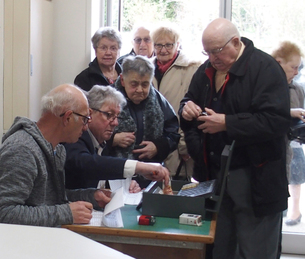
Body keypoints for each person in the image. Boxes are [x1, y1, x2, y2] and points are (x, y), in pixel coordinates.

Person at [179, 18, 290, 259]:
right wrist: (185, 108)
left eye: (217, 51)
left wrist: (227, 123)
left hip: (256, 179)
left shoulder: (265, 68)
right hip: (216, 178)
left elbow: (275, 121)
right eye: (206, 52)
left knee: (255, 251)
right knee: (220, 248)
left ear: (236, 42)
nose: (212, 57)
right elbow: (188, 100)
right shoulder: (207, 69)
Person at [0, 84, 112, 227]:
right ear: (67, 118)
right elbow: (4, 213)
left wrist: (90, 196)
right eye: (85, 119)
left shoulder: (57, 149)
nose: (85, 127)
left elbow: (49, 199)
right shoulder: (22, 149)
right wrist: (66, 214)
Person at [64, 84, 170, 190]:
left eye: (116, 116)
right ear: (90, 113)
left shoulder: (102, 142)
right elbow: (86, 165)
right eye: (109, 115)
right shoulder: (75, 137)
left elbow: (101, 176)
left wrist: (127, 184)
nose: (115, 123)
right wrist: (138, 167)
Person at [110, 55, 180, 173]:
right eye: (134, 84)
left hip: (150, 172)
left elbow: (173, 131)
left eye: (145, 84)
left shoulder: (157, 99)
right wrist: (113, 139)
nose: (140, 90)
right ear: (122, 80)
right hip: (115, 172)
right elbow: (93, 134)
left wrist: (158, 147)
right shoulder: (108, 98)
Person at [151, 25, 202, 180]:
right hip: (153, 144)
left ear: (178, 45)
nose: (163, 50)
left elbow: (193, 107)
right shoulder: (146, 68)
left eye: (169, 45)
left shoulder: (191, 68)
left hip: (181, 142)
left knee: (179, 187)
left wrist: (185, 145)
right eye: (159, 45)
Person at [272, 41, 305, 226]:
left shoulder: (297, 88)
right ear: (278, 63)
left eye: (299, 68)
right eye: (293, 67)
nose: (296, 72)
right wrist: (288, 113)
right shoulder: (264, 87)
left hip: (290, 147)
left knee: (294, 180)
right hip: (270, 152)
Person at [74, 27, 122, 91]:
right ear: (95, 50)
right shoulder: (84, 78)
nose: (108, 53)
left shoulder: (126, 75)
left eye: (113, 48)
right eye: (103, 48)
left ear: (118, 51)